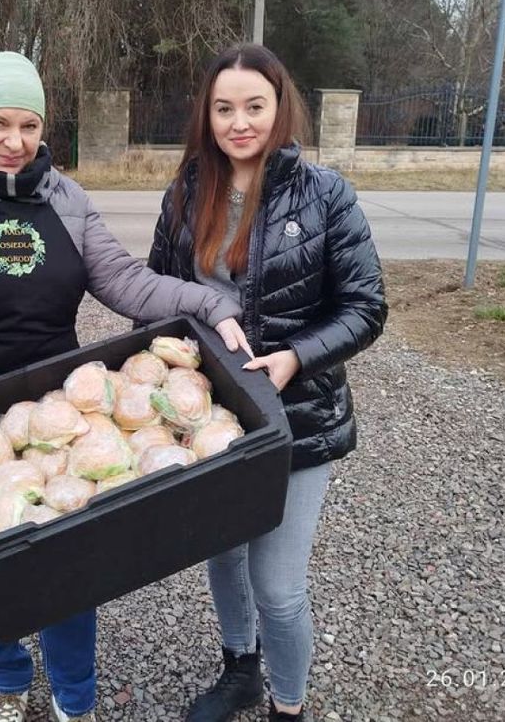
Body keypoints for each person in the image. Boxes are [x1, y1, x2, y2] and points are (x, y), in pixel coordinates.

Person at [0, 51, 251, 722]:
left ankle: (76, 701)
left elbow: (128, 282)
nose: (15, 140)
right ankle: (9, 681)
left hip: (61, 419)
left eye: (28, 124)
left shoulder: (65, 199)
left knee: (72, 572)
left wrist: (211, 305)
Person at [147, 43, 387, 722]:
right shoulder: (188, 189)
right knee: (222, 556)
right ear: (208, 114)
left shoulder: (325, 194)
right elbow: (157, 289)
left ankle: (289, 704)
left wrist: (295, 357)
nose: (239, 122)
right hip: (213, 415)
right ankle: (240, 669)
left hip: (298, 414)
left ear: (281, 108)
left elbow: (366, 307)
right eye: (224, 108)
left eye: (254, 106)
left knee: (277, 585)